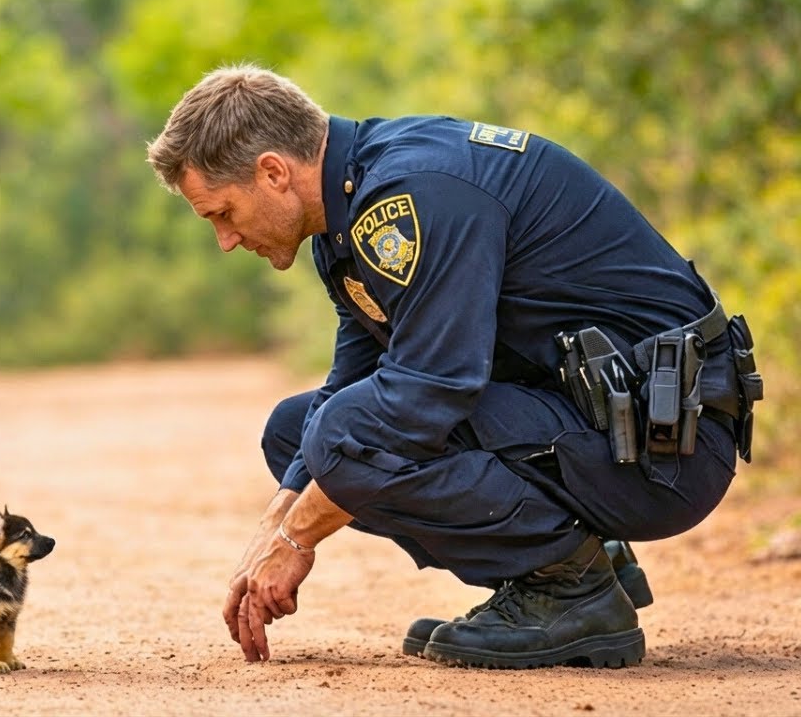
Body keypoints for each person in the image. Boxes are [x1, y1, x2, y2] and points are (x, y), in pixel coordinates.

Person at [145, 65, 763, 669]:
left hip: (667, 448)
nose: (226, 239)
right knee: (296, 433)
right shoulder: (348, 213)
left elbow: (429, 392)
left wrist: (296, 539)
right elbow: (355, 383)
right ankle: (572, 560)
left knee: (343, 435)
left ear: (273, 172)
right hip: (605, 422)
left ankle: (569, 589)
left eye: (222, 213)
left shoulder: (411, 197)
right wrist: (272, 524)